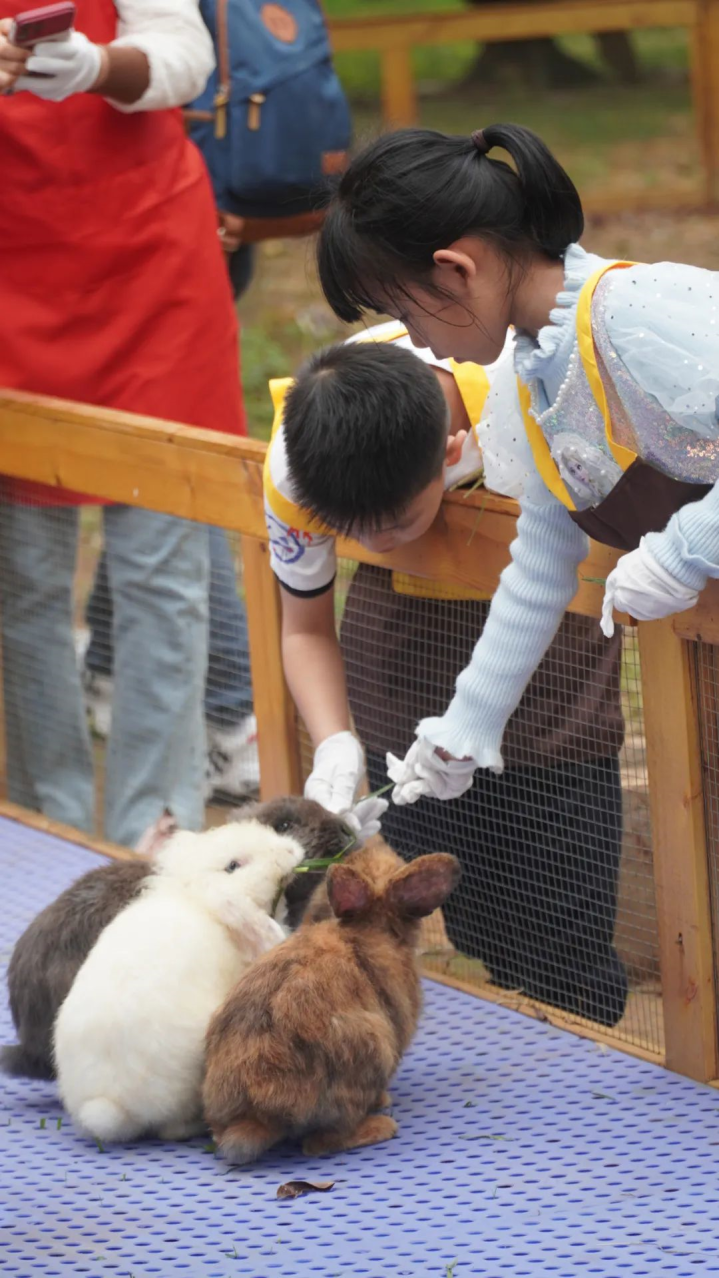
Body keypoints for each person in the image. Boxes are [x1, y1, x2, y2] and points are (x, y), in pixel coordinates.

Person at [314, 122, 719, 806]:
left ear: (455, 270)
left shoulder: (636, 314)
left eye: (402, 312)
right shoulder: (531, 369)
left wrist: (683, 551)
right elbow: (542, 554)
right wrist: (466, 723)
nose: (417, 342)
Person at [264, 323, 628, 1024]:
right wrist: (334, 740)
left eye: (395, 524)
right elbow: (303, 623)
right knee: (468, 906)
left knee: (558, 926)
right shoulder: (296, 463)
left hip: (551, 660)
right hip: (405, 654)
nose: (369, 544)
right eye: (349, 531)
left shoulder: (536, 405)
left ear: (454, 454)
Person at [0, 0, 245, 846]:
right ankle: (48, 829)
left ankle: (156, 833)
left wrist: (98, 67)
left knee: (162, 576)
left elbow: (185, 52)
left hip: (150, 263)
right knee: (22, 583)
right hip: (11, 273)